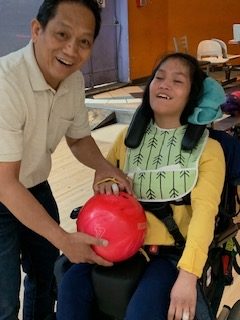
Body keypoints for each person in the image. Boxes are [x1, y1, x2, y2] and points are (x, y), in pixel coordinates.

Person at [56, 52, 226, 320]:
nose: (165, 84)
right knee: (70, 286)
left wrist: (189, 276)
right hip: (117, 247)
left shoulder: (208, 150)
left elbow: (205, 216)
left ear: (193, 95)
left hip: (169, 254)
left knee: (141, 312)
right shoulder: (127, 139)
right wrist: (108, 182)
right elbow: (103, 181)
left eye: (177, 81)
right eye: (159, 77)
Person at [0, 1, 132, 319]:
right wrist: (64, 238)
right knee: (5, 300)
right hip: (3, 191)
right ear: (36, 30)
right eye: (62, 34)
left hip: (36, 186)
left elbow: (77, 138)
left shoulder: (72, 81)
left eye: (84, 41)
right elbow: (5, 184)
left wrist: (104, 166)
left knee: (45, 279)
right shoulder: (6, 84)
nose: (71, 50)